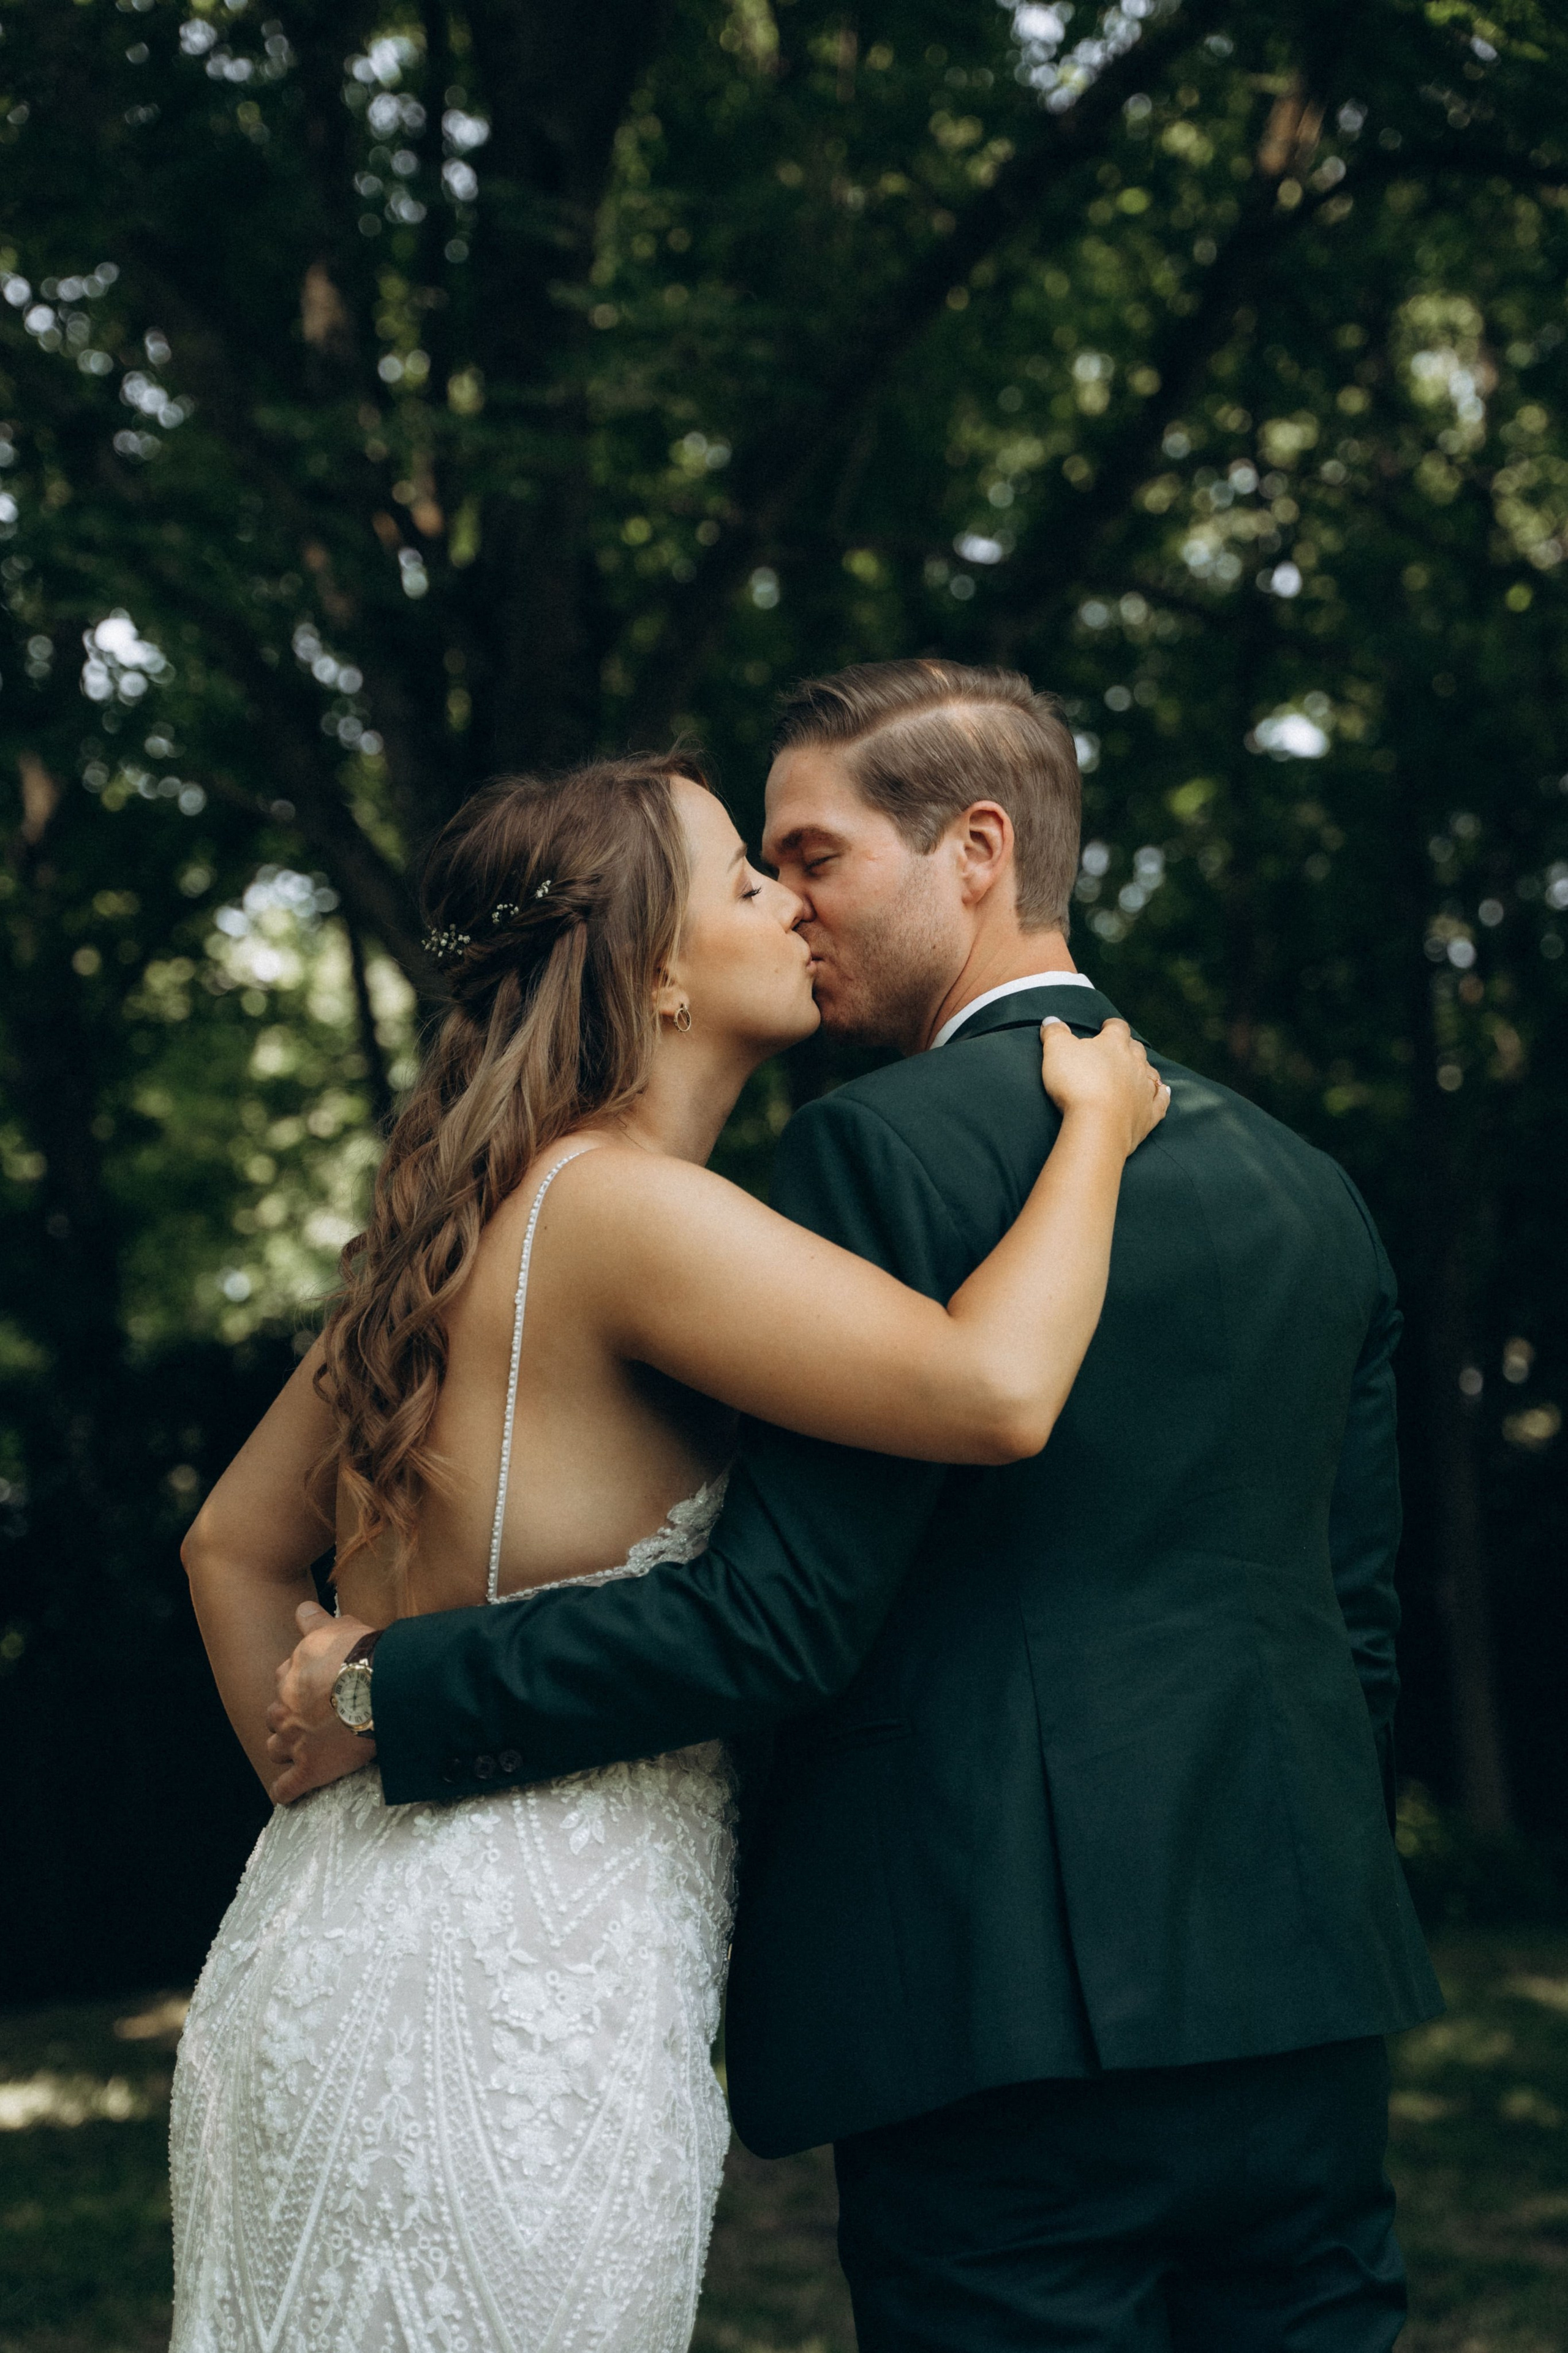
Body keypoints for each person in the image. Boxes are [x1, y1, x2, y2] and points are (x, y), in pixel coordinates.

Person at [271, 659, 1445, 2352]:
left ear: (975, 849)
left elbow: (781, 1616)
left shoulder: (875, 1158)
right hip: (1305, 1997)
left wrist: (395, 1683)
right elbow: (1355, 1640)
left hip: (989, 2021)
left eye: (809, 852)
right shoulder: (1306, 1186)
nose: (785, 897)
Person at [173, 738, 1167, 2353]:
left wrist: (302, 1761)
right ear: (657, 969)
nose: (790, 905)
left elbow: (228, 1543)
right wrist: (1094, 1136)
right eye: (746, 880)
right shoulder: (626, 1208)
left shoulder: (473, 1209)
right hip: (516, 2011)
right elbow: (994, 1389)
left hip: (322, 1941)